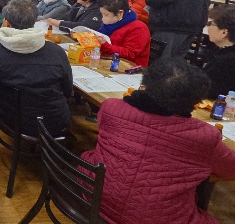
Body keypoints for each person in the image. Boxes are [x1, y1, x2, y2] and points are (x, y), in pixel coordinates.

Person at [80, 59, 235, 224]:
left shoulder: (111, 107)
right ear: (196, 101)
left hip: (94, 197)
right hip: (156, 217)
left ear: (145, 84)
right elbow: (230, 169)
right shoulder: (204, 136)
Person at [0, 0, 73, 137]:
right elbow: (67, 90)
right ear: (34, 22)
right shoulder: (57, 52)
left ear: (6, 23)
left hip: (10, 118)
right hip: (54, 122)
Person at [95, 0, 151, 66]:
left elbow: (130, 54)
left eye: (106, 15)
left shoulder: (139, 28)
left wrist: (105, 45)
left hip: (128, 66)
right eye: (102, 14)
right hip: (106, 60)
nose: (103, 18)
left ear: (120, 13)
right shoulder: (111, 23)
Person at [203, 5, 235, 99]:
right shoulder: (221, 52)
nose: (208, 27)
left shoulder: (226, 62)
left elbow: (208, 91)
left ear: (224, 32)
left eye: (211, 24)